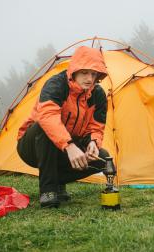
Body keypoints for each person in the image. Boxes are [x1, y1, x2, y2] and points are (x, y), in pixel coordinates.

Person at [17, 46, 110, 208]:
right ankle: (48, 190)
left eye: (94, 74)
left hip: (65, 147)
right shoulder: (56, 84)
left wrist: (93, 143)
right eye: (85, 72)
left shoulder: (98, 95)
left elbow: (96, 127)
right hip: (32, 146)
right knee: (44, 127)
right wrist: (69, 146)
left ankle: (57, 181)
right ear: (74, 71)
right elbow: (47, 116)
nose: (90, 78)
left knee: (102, 158)